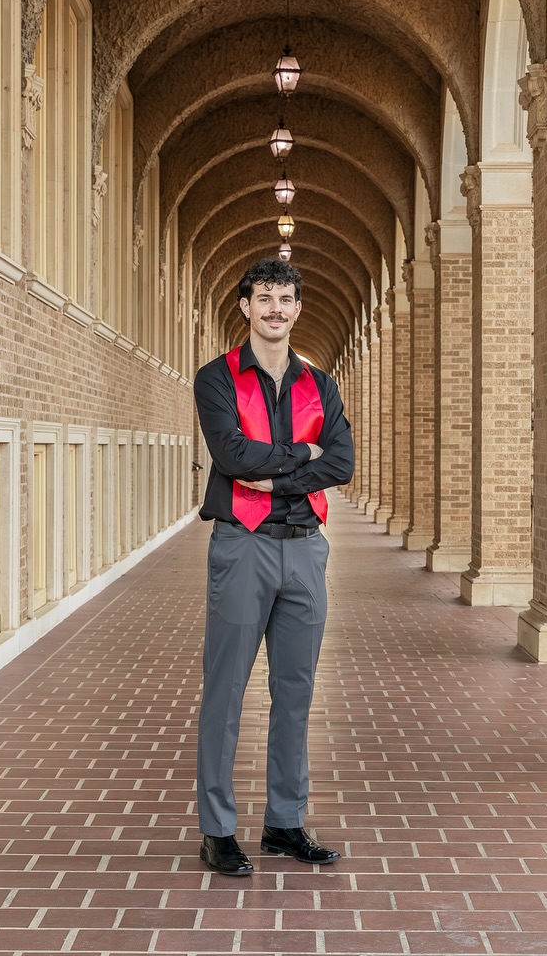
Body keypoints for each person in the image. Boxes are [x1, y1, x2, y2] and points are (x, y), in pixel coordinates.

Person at [191, 258, 355, 876]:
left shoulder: (320, 384)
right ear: (245, 306)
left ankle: (286, 822)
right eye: (264, 298)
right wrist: (300, 456)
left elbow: (341, 461)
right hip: (242, 548)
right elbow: (231, 456)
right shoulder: (217, 378)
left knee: (296, 693)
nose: (276, 309)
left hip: (306, 550)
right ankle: (217, 829)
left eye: (286, 299)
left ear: (298, 309)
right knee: (226, 692)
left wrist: (275, 471)